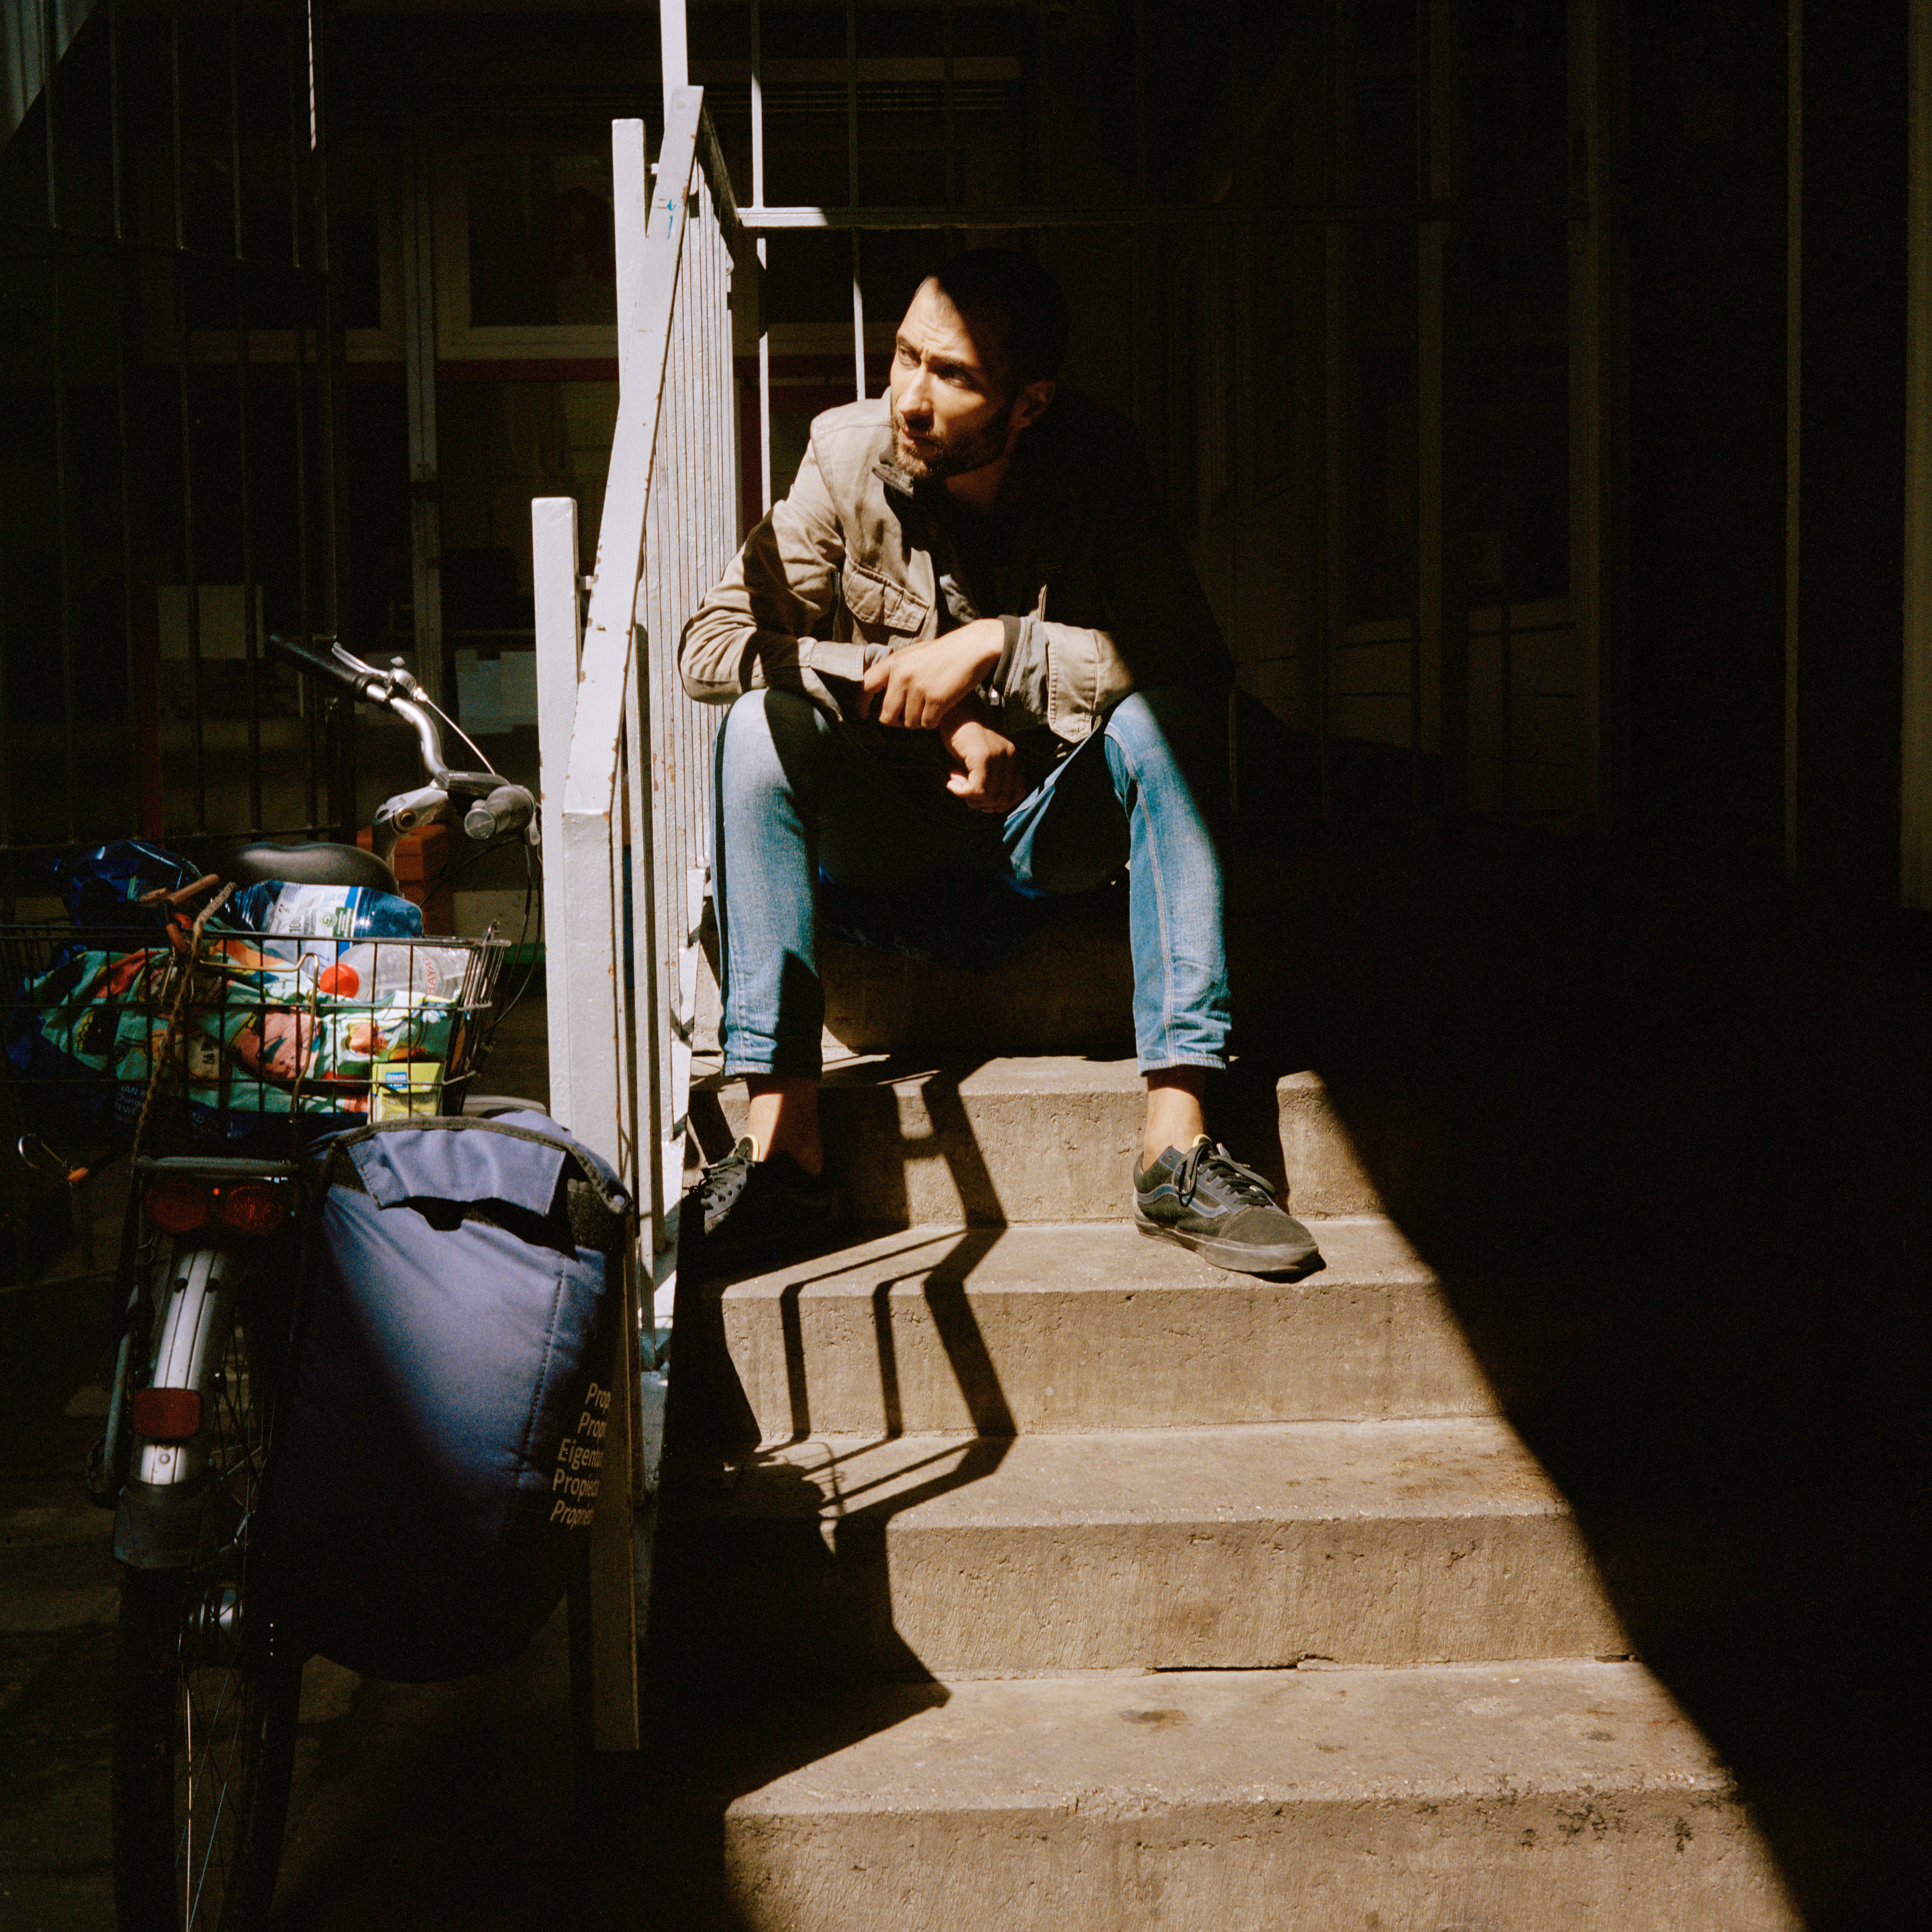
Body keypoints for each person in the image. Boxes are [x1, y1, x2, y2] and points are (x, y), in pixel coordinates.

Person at [678, 248, 1319, 1278]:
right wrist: (930, 700)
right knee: (756, 725)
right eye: (902, 358)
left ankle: (1178, 1146)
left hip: (1046, 831)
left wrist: (999, 648)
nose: (910, 399)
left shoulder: (1100, 463)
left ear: (1030, 404)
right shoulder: (845, 457)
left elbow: (1190, 662)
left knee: (1171, 728)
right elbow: (713, 645)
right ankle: (783, 1151)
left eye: (952, 375)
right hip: (895, 826)